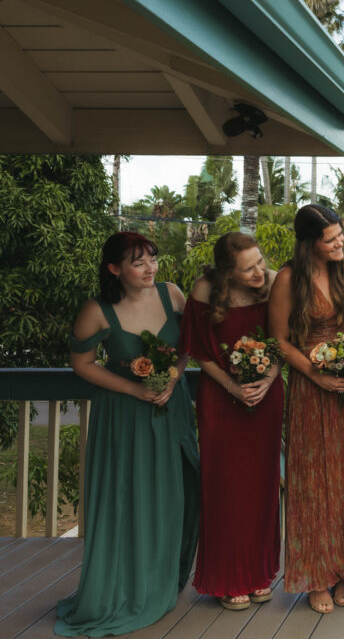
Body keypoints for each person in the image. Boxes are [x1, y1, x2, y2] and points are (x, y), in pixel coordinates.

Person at [59, 232, 199, 636]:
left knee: (176, 492)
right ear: (114, 268)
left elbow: (188, 345)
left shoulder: (172, 294)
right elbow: (83, 364)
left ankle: (163, 578)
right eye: (138, 263)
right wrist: (135, 389)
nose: (150, 268)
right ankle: (125, 588)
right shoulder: (97, 309)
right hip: (124, 414)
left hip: (170, 408)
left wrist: (173, 377)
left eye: (153, 259)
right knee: (128, 497)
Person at [268, 204, 344, 613]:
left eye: (341, 234)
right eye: (331, 239)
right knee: (312, 483)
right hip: (310, 389)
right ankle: (315, 575)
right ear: (310, 243)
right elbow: (279, 339)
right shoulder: (288, 279)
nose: (340, 242)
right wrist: (316, 373)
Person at [180, 232, 283, 610]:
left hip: (265, 397)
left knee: (261, 486)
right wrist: (233, 388)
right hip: (221, 400)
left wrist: (267, 380)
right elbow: (199, 351)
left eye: (260, 262)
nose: (259, 272)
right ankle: (227, 578)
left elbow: (284, 342)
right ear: (226, 272)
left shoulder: (275, 282)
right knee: (224, 488)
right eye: (248, 269)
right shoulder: (205, 289)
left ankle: (258, 573)